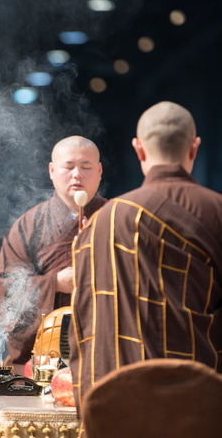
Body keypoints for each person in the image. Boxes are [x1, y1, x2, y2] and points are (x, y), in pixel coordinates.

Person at [69, 101, 222, 414]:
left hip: (123, 405)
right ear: (194, 148)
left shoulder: (105, 221)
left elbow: (86, 324)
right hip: (204, 403)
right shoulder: (217, 212)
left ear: (139, 150)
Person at [0, 135, 107, 370]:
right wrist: (54, 283)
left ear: (99, 171)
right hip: (44, 357)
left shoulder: (116, 218)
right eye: (68, 167)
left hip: (104, 351)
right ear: (52, 171)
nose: (77, 174)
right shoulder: (28, 225)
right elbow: (8, 288)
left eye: (86, 167)